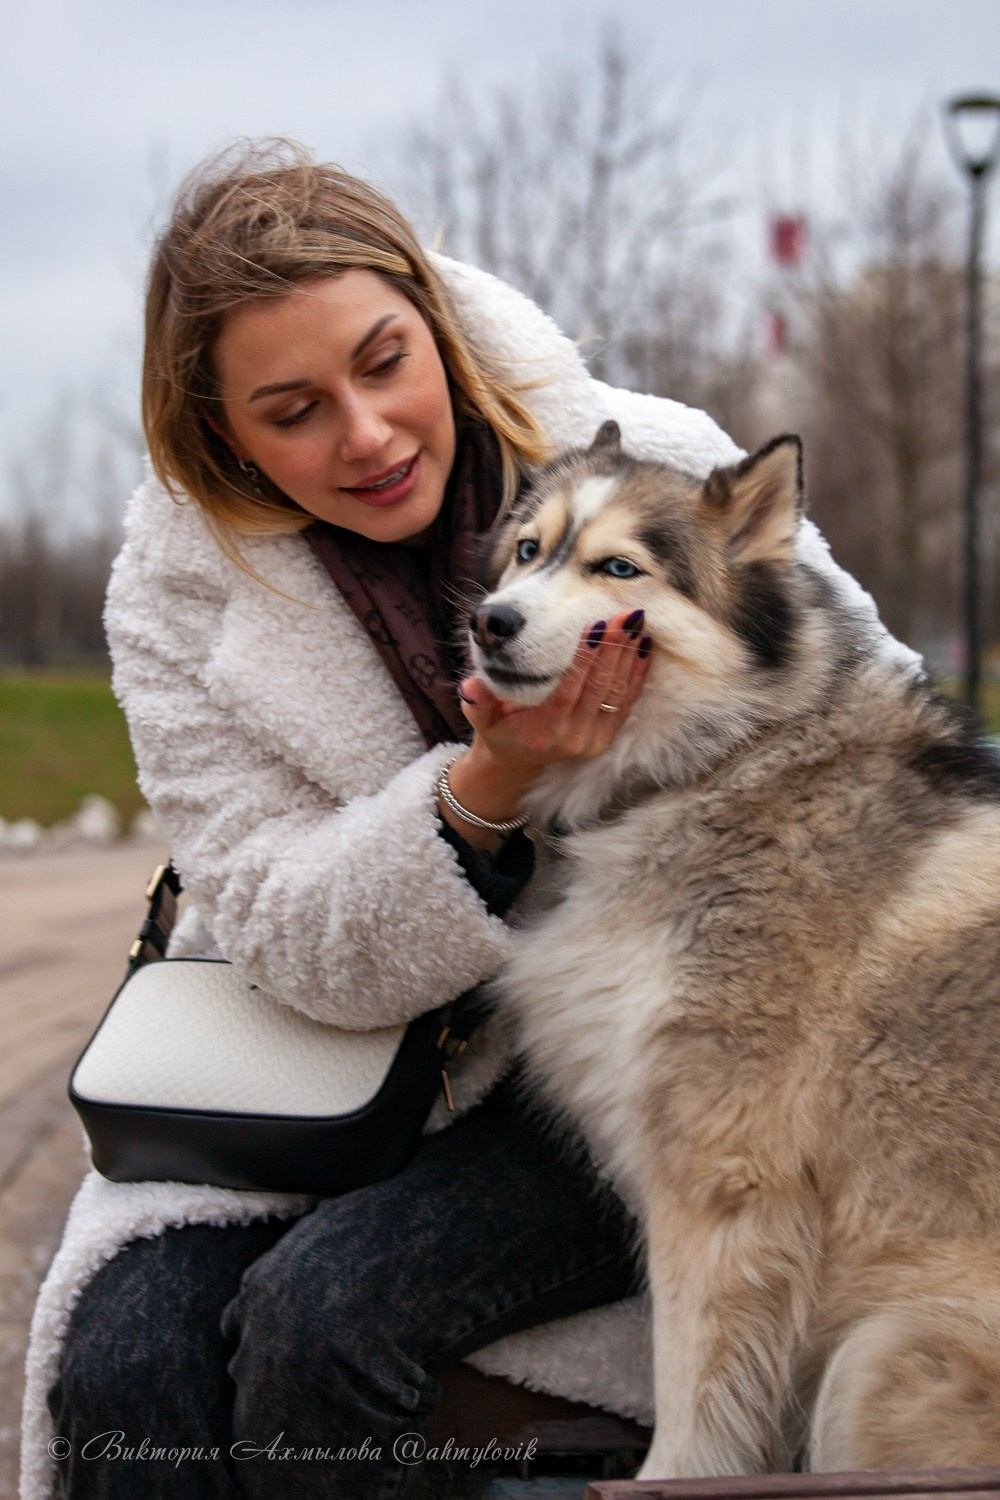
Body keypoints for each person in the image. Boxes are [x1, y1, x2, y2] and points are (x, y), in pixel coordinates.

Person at [22, 139, 895, 1500]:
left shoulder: (659, 464)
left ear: (431, 320)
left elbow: (879, 731)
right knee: (126, 1362)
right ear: (222, 436)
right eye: (293, 408)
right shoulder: (178, 601)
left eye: (383, 362)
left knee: (329, 1318)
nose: (365, 435)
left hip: (644, 1063)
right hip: (324, 1062)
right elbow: (275, 922)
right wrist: (483, 794)